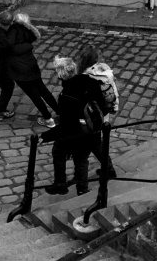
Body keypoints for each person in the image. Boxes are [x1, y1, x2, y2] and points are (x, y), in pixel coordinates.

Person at [42, 47, 117, 196]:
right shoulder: (90, 82)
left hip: (78, 131)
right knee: (87, 154)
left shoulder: (66, 96)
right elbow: (101, 103)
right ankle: (85, 186)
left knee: (59, 152)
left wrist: (49, 135)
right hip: (94, 126)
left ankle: (61, 184)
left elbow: (67, 123)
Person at [0, 12, 54, 121]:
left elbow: (9, 46)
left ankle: (48, 119)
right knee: (43, 90)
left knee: (34, 96)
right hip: (31, 65)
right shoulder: (27, 32)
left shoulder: (12, 31)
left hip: (19, 71)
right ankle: (59, 111)